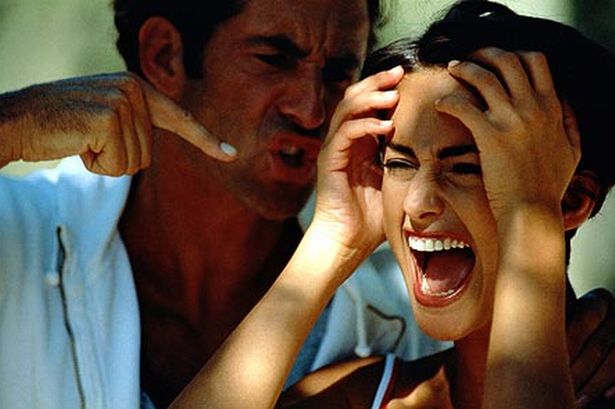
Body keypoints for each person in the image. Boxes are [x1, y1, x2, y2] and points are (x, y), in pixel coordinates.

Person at [0, 0, 614, 408]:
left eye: (341, 69)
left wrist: (531, 229)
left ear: (574, 197)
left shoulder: (392, 309)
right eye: (274, 57)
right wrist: (14, 124)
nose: (314, 110)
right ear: (163, 54)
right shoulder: (360, 386)